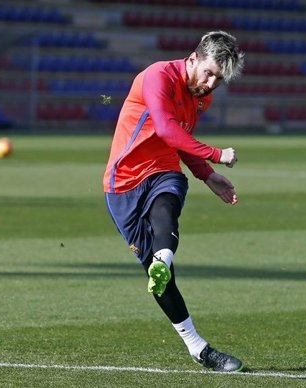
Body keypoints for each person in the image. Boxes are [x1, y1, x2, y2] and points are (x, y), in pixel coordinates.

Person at [103, 31, 244, 372]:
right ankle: (194, 343)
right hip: (122, 184)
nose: (210, 83)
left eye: (219, 80)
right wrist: (215, 156)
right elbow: (167, 129)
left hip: (162, 171)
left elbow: (179, 141)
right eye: (208, 72)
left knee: (168, 200)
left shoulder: (200, 98)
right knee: (163, 281)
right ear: (193, 58)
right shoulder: (158, 75)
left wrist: (206, 175)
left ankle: (164, 261)